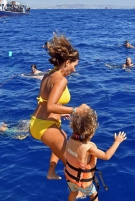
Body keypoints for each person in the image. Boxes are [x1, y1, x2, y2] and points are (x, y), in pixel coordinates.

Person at [29, 33, 88, 180]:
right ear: (67, 62)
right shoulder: (61, 80)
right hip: (45, 126)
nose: (75, 70)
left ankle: (51, 172)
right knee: (73, 164)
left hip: (38, 122)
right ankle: (79, 191)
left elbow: (46, 101)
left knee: (63, 136)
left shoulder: (49, 74)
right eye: (74, 66)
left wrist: (61, 112)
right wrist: (76, 110)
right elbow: (50, 106)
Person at [65, 106, 127, 201]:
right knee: (94, 195)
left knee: (73, 192)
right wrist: (117, 142)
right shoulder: (88, 148)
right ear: (91, 133)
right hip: (83, 181)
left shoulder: (70, 139)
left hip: (70, 178)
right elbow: (107, 156)